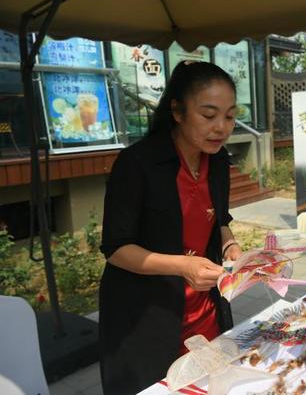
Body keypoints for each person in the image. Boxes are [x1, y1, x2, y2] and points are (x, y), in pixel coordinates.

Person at [99, 61, 243, 394]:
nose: (221, 127)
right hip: (147, 314)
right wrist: (182, 265)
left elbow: (219, 217)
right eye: (208, 115)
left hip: (204, 306)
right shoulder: (137, 164)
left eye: (230, 116)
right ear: (177, 112)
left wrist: (228, 245)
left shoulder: (218, 159)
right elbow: (116, 249)